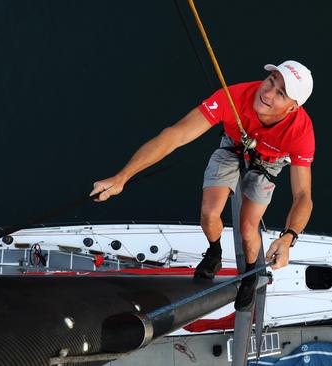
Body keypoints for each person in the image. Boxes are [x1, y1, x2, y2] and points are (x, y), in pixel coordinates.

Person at [90, 60, 315, 311]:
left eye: (281, 94)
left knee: (248, 229)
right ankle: (214, 252)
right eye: (270, 81)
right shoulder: (233, 97)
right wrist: (123, 177)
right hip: (234, 145)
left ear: (293, 108)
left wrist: (288, 237)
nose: (268, 93)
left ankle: (251, 274)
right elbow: (175, 135)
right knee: (209, 214)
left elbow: (303, 194)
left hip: (268, 162)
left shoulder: (301, 133)